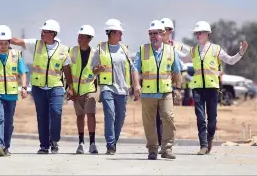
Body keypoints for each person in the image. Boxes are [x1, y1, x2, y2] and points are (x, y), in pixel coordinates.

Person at [0, 19, 73, 154]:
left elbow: (67, 69)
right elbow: (17, 41)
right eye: (42, 32)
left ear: (53, 33)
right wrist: (0, 38)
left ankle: (54, 139)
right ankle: (44, 146)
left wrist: (71, 87)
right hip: (38, 88)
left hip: (56, 87)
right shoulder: (36, 44)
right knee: (42, 116)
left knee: (56, 112)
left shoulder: (63, 49)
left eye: (44, 32)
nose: (41, 34)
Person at [187, 21, 249, 155]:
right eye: (196, 33)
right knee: (200, 117)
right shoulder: (193, 51)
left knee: (212, 119)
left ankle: (209, 138)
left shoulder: (216, 49)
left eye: (200, 32)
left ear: (207, 34)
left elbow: (231, 60)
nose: (197, 35)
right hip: (197, 88)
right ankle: (203, 145)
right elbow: (180, 56)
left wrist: (241, 52)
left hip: (212, 88)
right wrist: (170, 45)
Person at [132, 20, 182, 160]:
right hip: (148, 92)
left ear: (163, 34)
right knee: (149, 122)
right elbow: (135, 68)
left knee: (169, 118)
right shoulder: (143, 50)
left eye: (155, 33)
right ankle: (153, 150)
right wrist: (136, 85)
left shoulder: (171, 51)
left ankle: (167, 149)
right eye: (150, 33)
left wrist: (177, 89)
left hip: (166, 91)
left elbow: (177, 71)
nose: (152, 36)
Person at [0, 25, 28, 156]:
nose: (2, 46)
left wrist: (24, 87)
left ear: (9, 42)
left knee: (9, 123)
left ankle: (6, 147)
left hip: (12, 95)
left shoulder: (16, 55)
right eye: (0, 43)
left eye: (5, 43)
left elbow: (23, 72)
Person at [91, 19, 132, 155]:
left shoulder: (125, 49)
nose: (121, 35)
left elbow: (131, 69)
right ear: (112, 33)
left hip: (122, 89)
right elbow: (93, 69)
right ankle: (110, 145)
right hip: (107, 87)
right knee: (110, 113)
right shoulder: (100, 49)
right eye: (119, 32)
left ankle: (114, 141)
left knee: (120, 117)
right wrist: (98, 69)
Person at [68, 25, 98, 154]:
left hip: (90, 88)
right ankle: (81, 143)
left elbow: (96, 69)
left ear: (89, 38)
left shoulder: (95, 53)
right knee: (80, 116)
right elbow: (67, 69)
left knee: (91, 114)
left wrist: (98, 70)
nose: (79, 39)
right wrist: (69, 88)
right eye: (78, 36)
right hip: (76, 90)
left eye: (81, 37)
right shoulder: (72, 51)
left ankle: (92, 143)